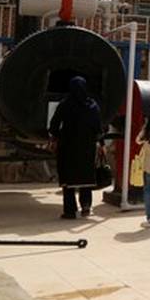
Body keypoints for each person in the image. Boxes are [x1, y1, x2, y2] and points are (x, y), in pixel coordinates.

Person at [48, 76, 103, 219]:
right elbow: (98, 127)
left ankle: (70, 211)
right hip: (87, 147)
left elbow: (54, 124)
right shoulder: (92, 106)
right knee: (86, 178)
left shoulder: (65, 104)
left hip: (68, 147)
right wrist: (99, 142)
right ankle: (86, 206)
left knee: (68, 179)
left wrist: (56, 135)